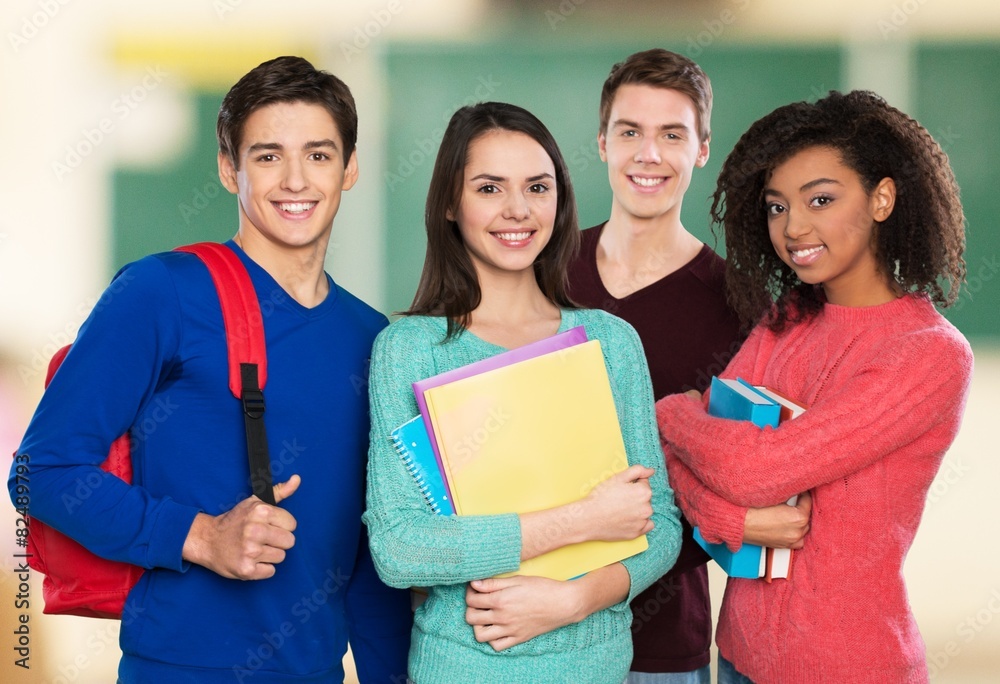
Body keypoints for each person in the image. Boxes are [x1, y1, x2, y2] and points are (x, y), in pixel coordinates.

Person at [9, 56, 412, 683]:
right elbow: (41, 471)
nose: (296, 180)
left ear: (350, 168)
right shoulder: (160, 292)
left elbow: (367, 564)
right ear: (230, 170)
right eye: (268, 156)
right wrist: (197, 536)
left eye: (320, 154)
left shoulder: (374, 338)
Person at [656, 90, 973, 683]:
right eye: (777, 208)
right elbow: (679, 461)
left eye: (820, 200)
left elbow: (756, 471)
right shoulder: (789, 321)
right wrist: (732, 518)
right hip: (739, 658)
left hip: (845, 667)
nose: (793, 227)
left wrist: (672, 413)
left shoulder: (928, 355)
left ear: (882, 199)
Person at [362, 101, 682, 684]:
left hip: (598, 665)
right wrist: (582, 519)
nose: (518, 209)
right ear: (450, 207)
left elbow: (658, 521)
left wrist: (573, 600)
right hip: (462, 667)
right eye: (489, 188)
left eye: (538, 187)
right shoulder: (410, 349)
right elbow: (400, 548)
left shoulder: (610, 343)